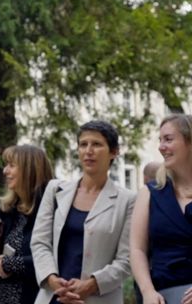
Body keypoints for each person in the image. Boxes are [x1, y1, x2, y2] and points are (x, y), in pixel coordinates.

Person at [31, 120, 135, 304]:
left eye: (97, 144)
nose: (89, 151)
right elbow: (40, 242)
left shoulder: (127, 200)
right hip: (54, 296)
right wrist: (53, 282)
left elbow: (126, 259)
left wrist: (91, 284)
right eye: (83, 144)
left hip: (97, 298)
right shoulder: (56, 190)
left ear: (114, 152)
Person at [130, 114, 192, 304]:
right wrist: (147, 291)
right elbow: (137, 249)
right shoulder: (149, 193)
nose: (161, 146)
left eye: (168, 139)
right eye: (160, 140)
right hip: (162, 296)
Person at [0, 144, 53, 304]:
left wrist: (11, 264)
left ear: (29, 170)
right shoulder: (4, 212)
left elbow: (53, 258)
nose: (5, 171)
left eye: (11, 165)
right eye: (5, 165)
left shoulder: (52, 212)